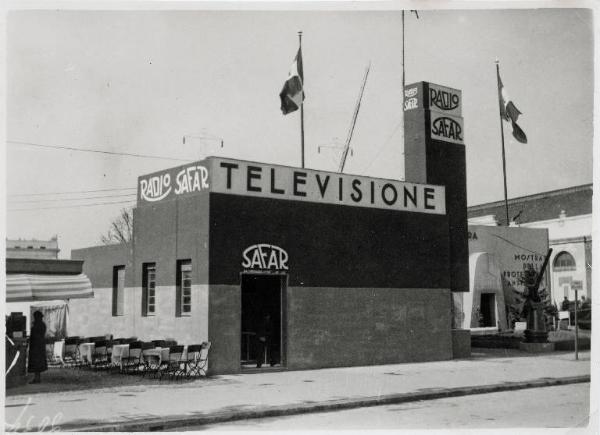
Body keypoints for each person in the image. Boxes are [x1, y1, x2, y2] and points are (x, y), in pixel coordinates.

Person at [28, 311, 47, 384]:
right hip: (39, 346)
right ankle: (37, 378)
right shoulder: (42, 324)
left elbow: (36, 336)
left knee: (36, 363)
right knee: (37, 363)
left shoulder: (38, 325)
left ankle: (37, 379)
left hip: (37, 347)